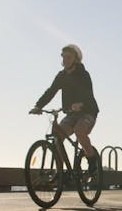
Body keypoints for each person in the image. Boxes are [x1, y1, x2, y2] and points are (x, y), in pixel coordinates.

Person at [30, 44, 99, 173]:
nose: (65, 60)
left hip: (88, 112)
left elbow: (88, 94)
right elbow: (51, 91)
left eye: (69, 57)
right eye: (63, 57)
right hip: (71, 114)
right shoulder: (61, 76)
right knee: (57, 137)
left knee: (79, 130)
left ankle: (91, 159)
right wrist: (38, 106)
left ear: (75, 59)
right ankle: (61, 173)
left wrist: (81, 104)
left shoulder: (83, 74)